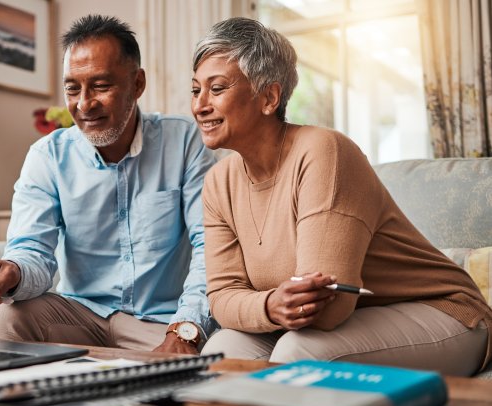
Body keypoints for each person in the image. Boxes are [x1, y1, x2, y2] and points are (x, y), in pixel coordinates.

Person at [192, 17, 492, 375]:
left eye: (217, 88)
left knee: (298, 353)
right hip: (343, 323)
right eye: (196, 90)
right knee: (222, 352)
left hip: (443, 313)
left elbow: (329, 308)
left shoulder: (324, 152)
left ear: (269, 97)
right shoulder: (218, 182)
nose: (200, 105)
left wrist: (264, 306)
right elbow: (222, 298)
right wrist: (271, 305)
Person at [0, 15, 217, 354]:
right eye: (72, 88)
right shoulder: (47, 156)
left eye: (101, 86)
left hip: (161, 322)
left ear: (137, 84)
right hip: (79, 316)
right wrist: (12, 271)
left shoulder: (184, 142)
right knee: (5, 318)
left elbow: (211, 246)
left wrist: (185, 330)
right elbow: (33, 251)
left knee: (217, 354)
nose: (84, 104)